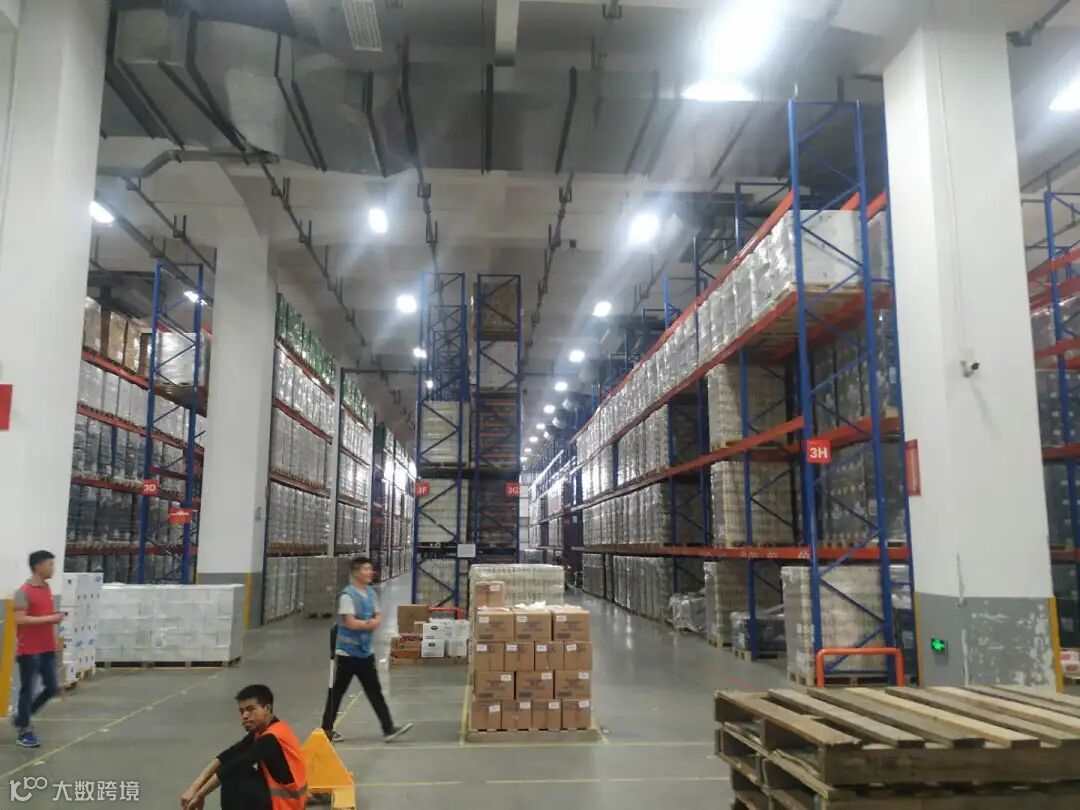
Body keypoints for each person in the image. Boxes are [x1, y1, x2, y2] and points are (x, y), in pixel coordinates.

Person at [321, 556, 412, 743]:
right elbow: (351, 623)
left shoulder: (371, 594)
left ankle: (388, 728)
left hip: (365, 652)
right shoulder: (347, 596)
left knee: (374, 691)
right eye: (365, 569)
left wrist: (370, 622)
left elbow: (378, 617)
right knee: (337, 692)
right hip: (347, 653)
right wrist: (369, 624)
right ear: (355, 573)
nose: (370, 572)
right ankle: (326, 731)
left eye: (370, 569)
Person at [180, 684, 308, 810]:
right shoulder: (263, 730)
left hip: (287, 805)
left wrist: (200, 795)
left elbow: (237, 765)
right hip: (279, 799)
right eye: (242, 711)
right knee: (230, 767)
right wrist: (194, 788)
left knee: (232, 775)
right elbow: (228, 755)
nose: (245, 716)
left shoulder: (271, 738)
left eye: (250, 709)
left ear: (267, 708)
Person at [12, 550, 65, 748]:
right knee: (28, 690)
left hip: (47, 648)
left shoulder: (47, 588)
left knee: (52, 688)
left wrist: (53, 620)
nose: (53, 568)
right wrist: (50, 619)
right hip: (29, 651)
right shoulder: (22, 592)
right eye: (50, 564)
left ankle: (22, 717)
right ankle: (24, 730)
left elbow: (43, 615)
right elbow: (20, 620)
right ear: (38, 566)